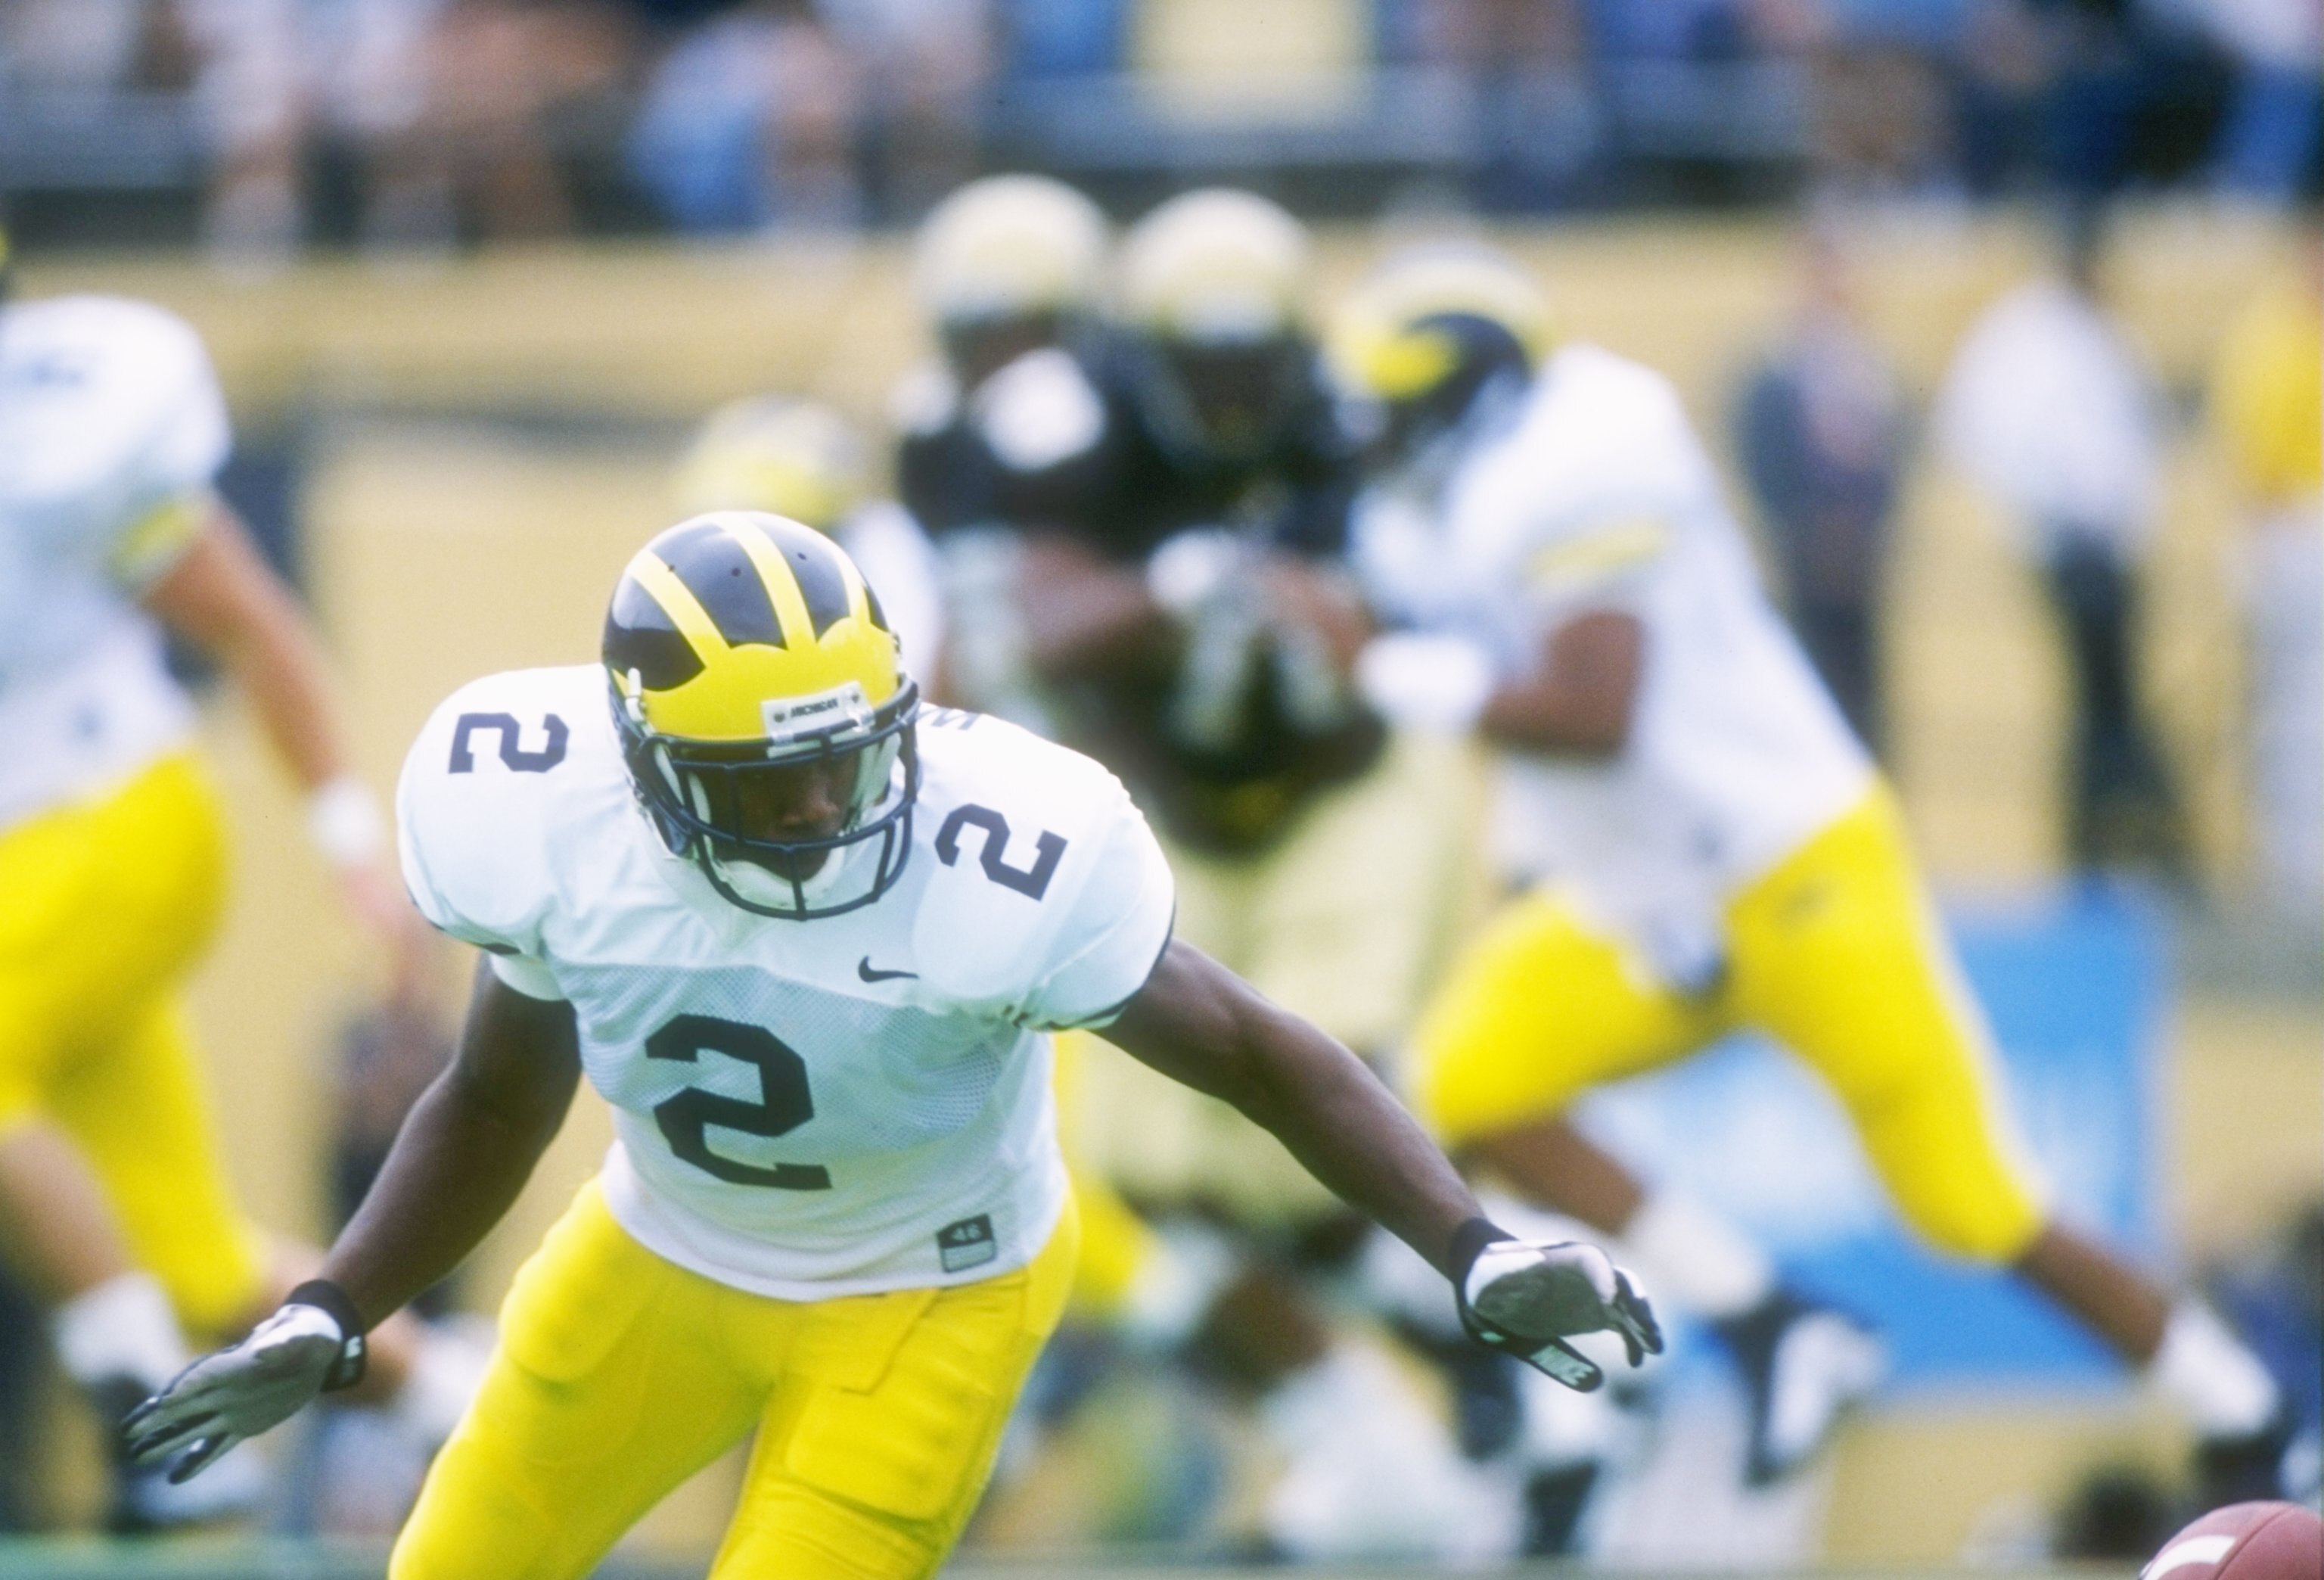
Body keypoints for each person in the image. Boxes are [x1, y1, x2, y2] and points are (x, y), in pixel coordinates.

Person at [123, 510, 1662, 1580]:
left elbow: (1260, 1056)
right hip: (664, 1255)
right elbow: (495, 1098)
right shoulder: (542, 818)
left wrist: (1471, 1247)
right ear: (644, 765)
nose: (816, 812)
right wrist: (334, 1310)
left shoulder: (1011, 849)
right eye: (760, 782)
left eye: (843, 759)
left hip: (930, 1296)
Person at [1330, 242, 2291, 1499]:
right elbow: (1520, 732)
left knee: (1970, 1202)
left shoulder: (1583, 448)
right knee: (1456, 1085)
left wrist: (1373, 666)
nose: (1380, 440)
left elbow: (1587, 709)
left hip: (1794, 871)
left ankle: (2247, 1408)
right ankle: (1770, 1318)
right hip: (1641, 901)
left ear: (1468, 393)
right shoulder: (1437, 510)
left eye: (1397, 409)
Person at [0, 222, 450, 1528]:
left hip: (114, 820)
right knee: (202, 1257)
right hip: (35, 880)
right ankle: (479, 1403)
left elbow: (255, 625)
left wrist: (352, 849)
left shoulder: (52, 437)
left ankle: (139, 1402)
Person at [1935, 207, 2184, 873]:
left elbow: (2137, 442)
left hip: (2113, 549)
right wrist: (2043, 510)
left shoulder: (2105, 335)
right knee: (2090, 699)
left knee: (2117, 698)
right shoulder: (2024, 335)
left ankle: (2120, 838)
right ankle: (2088, 846)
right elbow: (1980, 430)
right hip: (2065, 547)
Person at [1732, 222, 1906, 757]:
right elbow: (1764, 468)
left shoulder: (1873, 373)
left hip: (1863, 570)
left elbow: (1896, 467)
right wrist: (1808, 539)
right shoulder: (1771, 377)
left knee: (1868, 709)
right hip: (1800, 573)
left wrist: (1863, 535)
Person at [2206, 219, 2322, 920]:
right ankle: (2296, 870)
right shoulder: (2270, 338)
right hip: (2291, 542)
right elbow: (2260, 473)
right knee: (2294, 719)